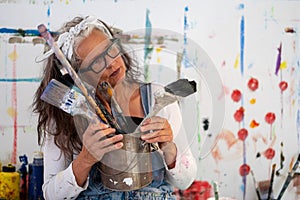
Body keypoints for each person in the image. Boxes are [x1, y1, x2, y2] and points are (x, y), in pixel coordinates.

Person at [33, 15, 197, 199]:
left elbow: (185, 182)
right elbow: (50, 195)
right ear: (79, 76)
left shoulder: (157, 99)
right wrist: (85, 159)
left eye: (109, 49)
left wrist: (168, 147)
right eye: (96, 62)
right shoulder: (64, 114)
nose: (111, 63)